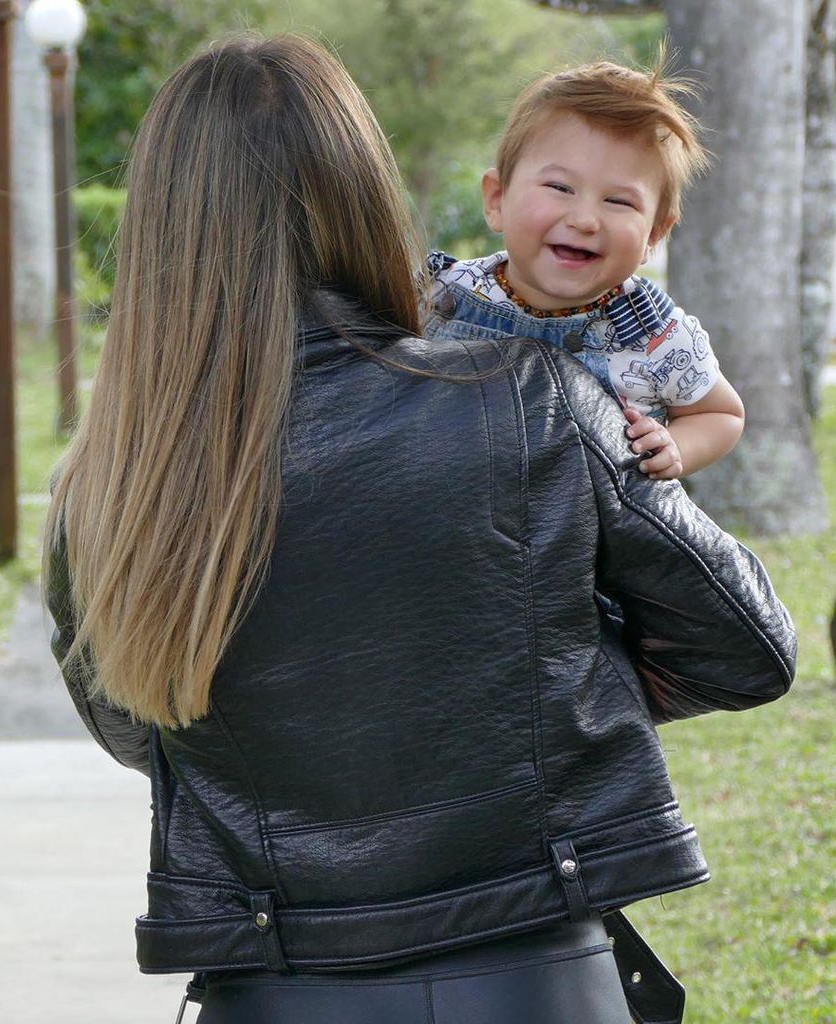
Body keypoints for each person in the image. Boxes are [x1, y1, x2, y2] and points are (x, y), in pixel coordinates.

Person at [43, 33, 796, 1024]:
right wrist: (522, 670)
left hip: (276, 985)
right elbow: (745, 650)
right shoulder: (540, 396)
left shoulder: (105, 489)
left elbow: (153, 737)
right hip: (533, 977)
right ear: (364, 187)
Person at [425, 58, 745, 481]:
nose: (584, 219)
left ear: (654, 233)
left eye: (619, 201)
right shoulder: (441, 295)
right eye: (560, 188)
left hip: (590, 535)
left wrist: (676, 446)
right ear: (497, 199)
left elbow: (722, 413)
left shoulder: (657, 337)